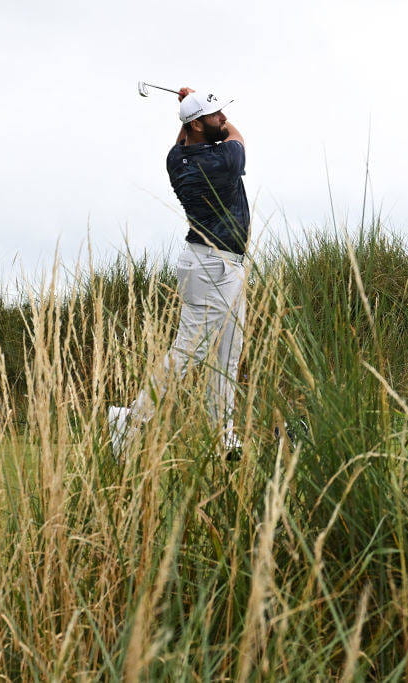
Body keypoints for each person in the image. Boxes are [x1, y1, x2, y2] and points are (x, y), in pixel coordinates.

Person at [108, 86, 249, 459]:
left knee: (227, 354)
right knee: (187, 352)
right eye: (215, 114)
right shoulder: (223, 160)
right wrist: (195, 108)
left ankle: (224, 435)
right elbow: (237, 136)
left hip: (220, 264)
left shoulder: (177, 156)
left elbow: (190, 134)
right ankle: (131, 420)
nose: (222, 118)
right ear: (199, 125)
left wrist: (190, 108)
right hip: (214, 267)